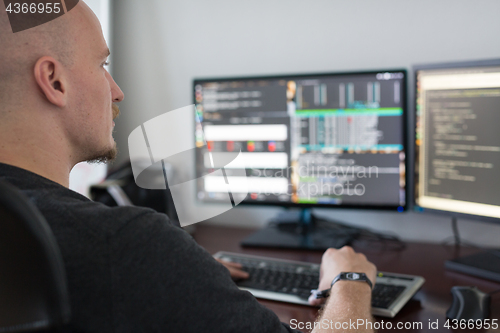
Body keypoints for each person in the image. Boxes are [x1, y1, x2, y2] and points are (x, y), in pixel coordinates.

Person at [0, 2, 377, 332]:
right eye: (101, 65)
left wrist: (178, 277)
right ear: (54, 80)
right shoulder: (124, 244)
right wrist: (350, 280)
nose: (117, 91)